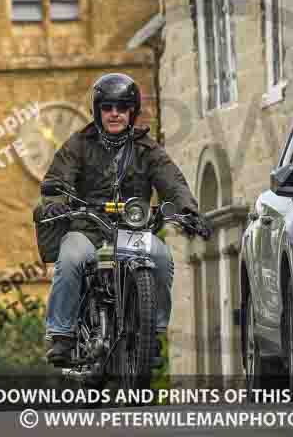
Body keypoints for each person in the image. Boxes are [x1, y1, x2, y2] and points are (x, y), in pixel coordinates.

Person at [36, 72, 211, 365]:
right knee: (69, 258)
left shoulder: (147, 148)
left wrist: (188, 211)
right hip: (88, 228)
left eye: (122, 107)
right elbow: (57, 178)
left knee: (161, 256)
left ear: (132, 111)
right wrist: (55, 203)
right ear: (98, 110)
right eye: (108, 107)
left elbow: (173, 182)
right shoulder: (78, 144)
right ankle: (62, 335)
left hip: (131, 230)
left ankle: (151, 334)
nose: (115, 114)